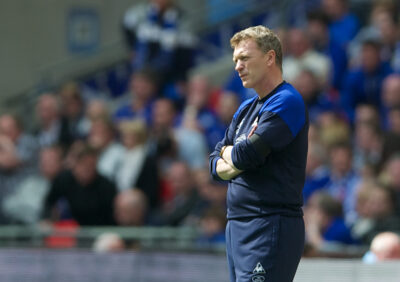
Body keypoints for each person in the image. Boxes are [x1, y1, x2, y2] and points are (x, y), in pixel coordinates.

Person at [209, 26, 308, 282]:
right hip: (237, 225)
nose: (237, 66)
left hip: (269, 224)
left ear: (270, 58)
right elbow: (213, 162)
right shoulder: (246, 108)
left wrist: (229, 155)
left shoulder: (287, 100)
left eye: (244, 58)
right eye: (235, 60)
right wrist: (233, 155)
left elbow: (244, 156)